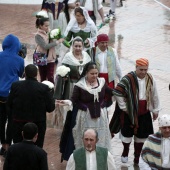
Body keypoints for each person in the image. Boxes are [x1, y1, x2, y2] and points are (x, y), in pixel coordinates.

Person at [57, 62, 114, 161]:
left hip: (101, 118)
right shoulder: (80, 85)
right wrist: (67, 102)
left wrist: (122, 92)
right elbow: (73, 99)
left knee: (100, 137)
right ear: (86, 73)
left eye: (96, 73)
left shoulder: (102, 82)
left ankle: (99, 158)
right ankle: (84, 159)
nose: (95, 76)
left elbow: (111, 92)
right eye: (92, 74)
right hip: (85, 117)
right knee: (86, 137)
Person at [110, 58, 161, 165]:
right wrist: (124, 107)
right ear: (136, 67)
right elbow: (117, 92)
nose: (143, 72)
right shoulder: (128, 79)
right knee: (127, 134)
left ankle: (137, 157)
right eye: (141, 69)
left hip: (144, 112)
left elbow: (154, 94)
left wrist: (155, 110)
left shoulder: (150, 79)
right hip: (129, 112)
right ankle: (125, 151)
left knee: (142, 136)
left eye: (145, 70)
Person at [7, 64, 55, 148]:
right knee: (36, 148)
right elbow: (50, 108)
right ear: (36, 74)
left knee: (18, 148)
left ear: (25, 73)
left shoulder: (15, 85)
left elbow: (9, 103)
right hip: (37, 124)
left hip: (19, 123)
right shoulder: (43, 88)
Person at [53, 36, 91, 127]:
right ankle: (69, 124)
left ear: (82, 47)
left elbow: (90, 69)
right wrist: (64, 77)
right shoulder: (68, 57)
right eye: (76, 46)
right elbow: (62, 71)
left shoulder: (86, 56)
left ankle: (80, 123)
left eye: (79, 46)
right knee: (70, 105)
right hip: (71, 86)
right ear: (72, 46)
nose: (78, 48)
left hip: (83, 86)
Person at [0, 34, 24, 157]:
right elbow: (21, 74)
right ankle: (8, 146)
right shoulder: (19, 59)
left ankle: (2, 144)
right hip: (11, 95)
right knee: (11, 121)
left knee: (0, 121)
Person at [35, 13, 63, 84]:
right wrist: (57, 42)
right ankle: (43, 93)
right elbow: (45, 46)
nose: (48, 27)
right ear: (41, 26)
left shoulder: (50, 32)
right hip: (41, 57)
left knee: (50, 77)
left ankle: (52, 92)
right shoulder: (38, 35)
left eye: (48, 25)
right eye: (46, 26)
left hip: (51, 58)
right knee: (43, 77)